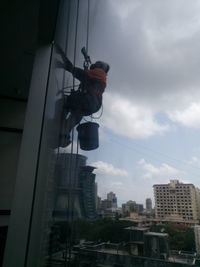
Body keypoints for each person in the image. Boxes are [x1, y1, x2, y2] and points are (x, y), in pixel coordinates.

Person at [56, 45, 110, 147]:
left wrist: (61, 55)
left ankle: (58, 127)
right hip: (92, 105)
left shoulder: (96, 74)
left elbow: (73, 70)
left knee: (62, 103)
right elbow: (82, 75)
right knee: (77, 113)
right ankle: (64, 135)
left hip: (87, 100)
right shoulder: (100, 79)